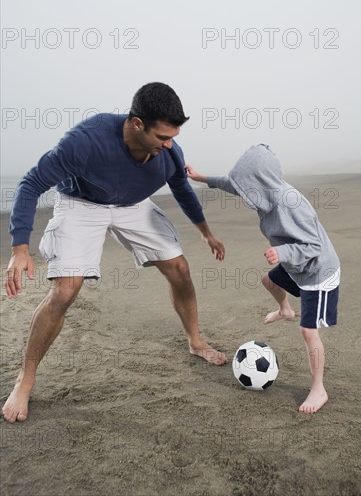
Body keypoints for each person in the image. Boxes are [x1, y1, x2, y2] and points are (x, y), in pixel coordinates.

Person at [3, 82, 228, 424]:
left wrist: (206, 232)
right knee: (65, 292)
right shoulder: (85, 142)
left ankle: (195, 341)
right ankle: (26, 379)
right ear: (137, 123)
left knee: (179, 268)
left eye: (173, 137)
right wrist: (20, 248)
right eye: (162, 137)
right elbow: (31, 183)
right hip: (82, 203)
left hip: (132, 204)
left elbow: (181, 188)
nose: (170, 146)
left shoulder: (168, 153)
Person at [186, 144, 340, 414]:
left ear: (262, 183)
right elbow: (232, 184)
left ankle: (319, 389)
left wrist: (282, 251)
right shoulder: (263, 193)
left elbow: (313, 245)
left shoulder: (290, 205)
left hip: (318, 272)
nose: (245, 195)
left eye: (248, 188)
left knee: (308, 331)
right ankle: (285, 309)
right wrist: (202, 178)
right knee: (269, 281)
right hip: (297, 267)